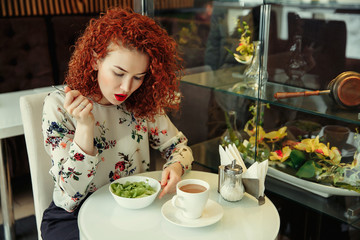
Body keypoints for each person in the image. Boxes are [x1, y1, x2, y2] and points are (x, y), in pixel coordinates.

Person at [40, 7, 193, 240]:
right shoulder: (60, 106)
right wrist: (84, 127)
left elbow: (178, 147)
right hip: (73, 215)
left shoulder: (141, 103)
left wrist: (175, 167)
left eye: (138, 77)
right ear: (94, 60)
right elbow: (71, 193)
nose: (126, 88)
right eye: (119, 73)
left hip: (133, 209)